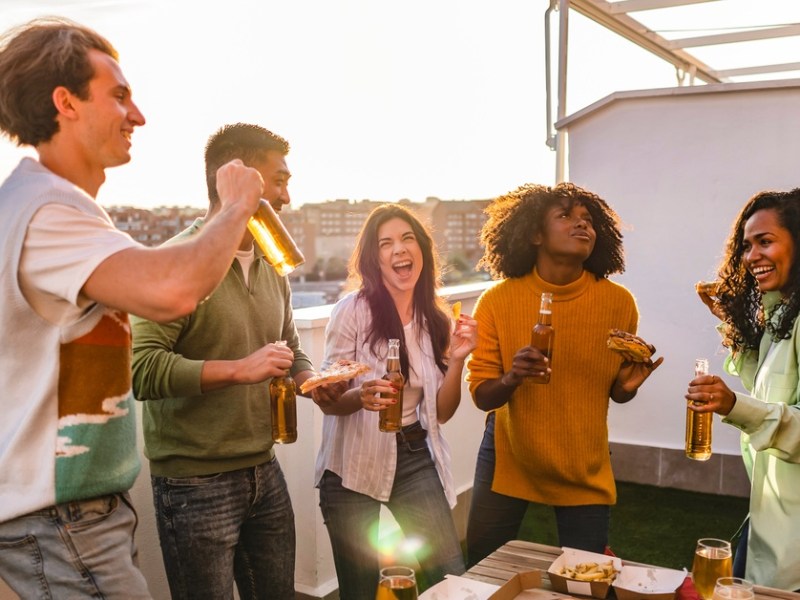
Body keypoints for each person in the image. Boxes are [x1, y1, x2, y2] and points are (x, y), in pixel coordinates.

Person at [0, 18, 263, 599]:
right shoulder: (44, 212)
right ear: (64, 103)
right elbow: (171, 290)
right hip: (60, 523)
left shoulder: (43, 208)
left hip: (68, 520)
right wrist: (235, 206)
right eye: (119, 95)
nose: (137, 115)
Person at [130, 123, 328, 600]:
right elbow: (144, 370)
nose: (286, 196)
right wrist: (241, 369)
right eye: (277, 181)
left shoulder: (271, 263)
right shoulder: (175, 259)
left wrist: (314, 381)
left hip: (264, 468)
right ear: (233, 178)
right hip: (194, 481)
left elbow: (287, 345)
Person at [465, 182, 663, 567]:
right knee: (482, 568)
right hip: (508, 455)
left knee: (585, 578)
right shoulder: (496, 301)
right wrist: (512, 377)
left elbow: (615, 391)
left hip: (582, 462)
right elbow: (482, 395)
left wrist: (626, 388)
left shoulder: (618, 303)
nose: (581, 225)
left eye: (588, 220)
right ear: (535, 234)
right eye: (565, 216)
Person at [312, 204, 477, 599]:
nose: (398, 249)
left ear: (421, 249)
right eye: (386, 243)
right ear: (374, 259)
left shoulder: (437, 319)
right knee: (358, 592)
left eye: (407, 238)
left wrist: (457, 360)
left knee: (450, 577)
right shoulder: (352, 311)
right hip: (350, 465)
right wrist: (359, 395)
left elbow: (444, 410)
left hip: (415, 455)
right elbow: (327, 398)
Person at [690, 189, 800, 592]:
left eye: (765, 241)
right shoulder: (784, 312)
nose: (751, 256)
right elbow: (772, 391)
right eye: (746, 245)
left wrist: (734, 405)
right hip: (768, 517)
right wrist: (732, 328)